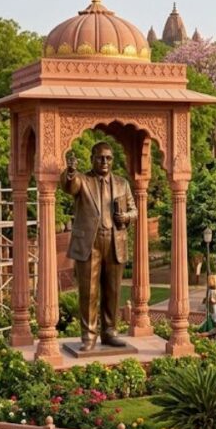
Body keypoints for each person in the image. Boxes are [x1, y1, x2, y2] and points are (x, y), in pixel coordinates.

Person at [61, 142, 138, 351]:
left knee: (113, 291)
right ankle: (88, 335)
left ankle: (110, 331)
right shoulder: (83, 180)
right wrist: (70, 171)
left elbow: (134, 210)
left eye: (108, 158)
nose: (105, 162)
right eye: (100, 158)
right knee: (89, 292)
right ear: (92, 159)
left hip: (115, 241)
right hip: (89, 243)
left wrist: (127, 216)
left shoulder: (122, 183)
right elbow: (70, 185)